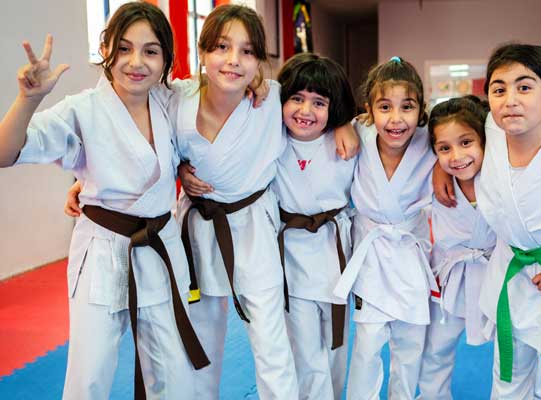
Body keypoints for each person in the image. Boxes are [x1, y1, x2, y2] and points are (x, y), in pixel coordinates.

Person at [0, 3, 208, 399]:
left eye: (150, 51)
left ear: (166, 58)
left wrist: (179, 169)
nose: (136, 62)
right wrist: (28, 100)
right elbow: (4, 152)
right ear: (106, 49)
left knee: (175, 377)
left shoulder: (169, 101)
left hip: (162, 247)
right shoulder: (82, 110)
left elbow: (210, 104)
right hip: (101, 249)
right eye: (124, 48)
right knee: (89, 376)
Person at [170, 5, 359, 399]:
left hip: (255, 226)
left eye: (247, 51)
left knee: (272, 340)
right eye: (222, 46)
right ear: (202, 50)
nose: (233, 60)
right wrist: (179, 171)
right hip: (197, 226)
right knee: (198, 337)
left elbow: (319, 101)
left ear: (259, 62)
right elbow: (152, 147)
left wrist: (342, 120)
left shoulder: (272, 98)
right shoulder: (176, 99)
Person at [430, 44, 541, 399]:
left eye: (524, 87)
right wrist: (439, 166)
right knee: (509, 377)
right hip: (512, 272)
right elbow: (451, 133)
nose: (510, 99)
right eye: (499, 89)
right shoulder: (491, 135)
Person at [418, 96, 541, 400]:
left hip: (501, 274)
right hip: (452, 277)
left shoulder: (505, 174)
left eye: (466, 142)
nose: (456, 156)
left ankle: (537, 394)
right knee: (437, 348)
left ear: (485, 140)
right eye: (444, 148)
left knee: (520, 346)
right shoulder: (431, 176)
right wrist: (438, 168)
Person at [332, 56, 438, 399]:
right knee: (366, 346)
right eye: (385, 107)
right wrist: (340, 123)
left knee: (410, 347)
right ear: (369, 110)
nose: (396, 119)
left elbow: (486, 130)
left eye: (407, 107)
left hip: (411, 254)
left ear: (421, 109)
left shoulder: (432, 140)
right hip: (370, 255)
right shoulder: (357, 131)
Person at [272, 52, 356, 399]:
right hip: (292, 261)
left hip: (337, 257)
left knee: (337, 351)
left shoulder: (349, 140)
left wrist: (346, 123)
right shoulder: (269, 139)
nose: (306, 112)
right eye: (296, 98)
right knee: (306, 355)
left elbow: (400, 132)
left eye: (319, 102)